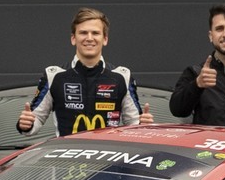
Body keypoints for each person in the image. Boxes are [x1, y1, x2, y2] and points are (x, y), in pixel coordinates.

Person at [16, 7, 155, 136]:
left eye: (95, 33)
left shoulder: (122, 76)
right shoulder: (54, 75)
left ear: (105, 39)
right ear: (73, 38)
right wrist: (26, 124)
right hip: (66, 153)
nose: (89, 38)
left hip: (108, 153)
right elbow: (35, 120)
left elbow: (133, 124)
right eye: (83, 33)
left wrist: (142, 125)